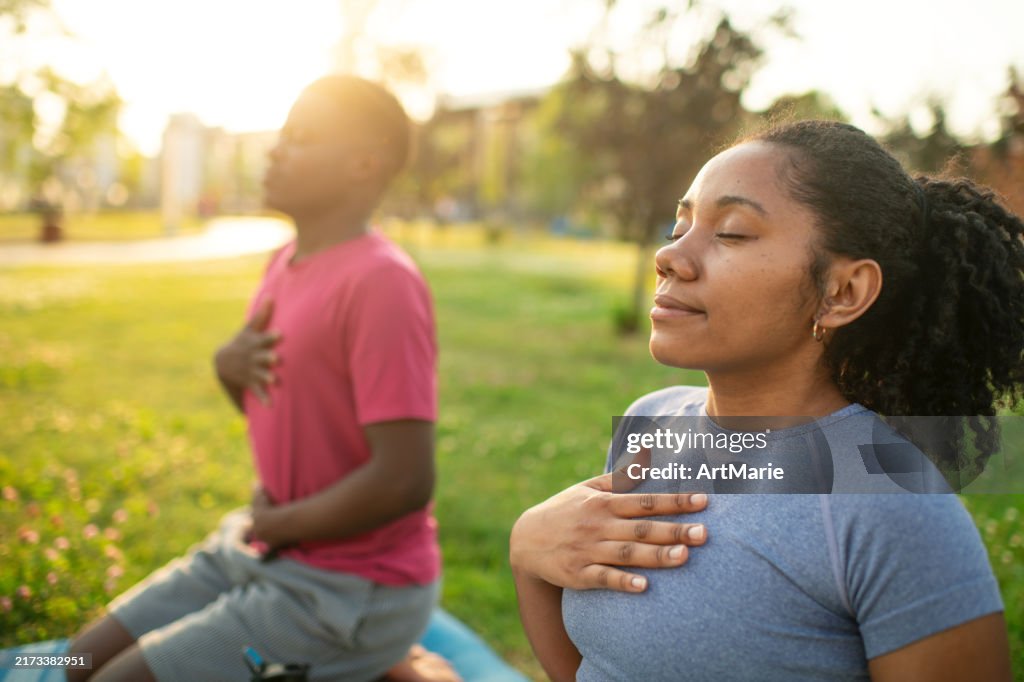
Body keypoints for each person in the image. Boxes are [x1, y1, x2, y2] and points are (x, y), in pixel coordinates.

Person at [510, 120, 1021, 681]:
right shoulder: (649, 422)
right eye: (680, 225)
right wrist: (528, 554)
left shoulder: (892, 506)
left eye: (730, 232)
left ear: (842, 292)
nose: (670, 256)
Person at [68, 75, 452, 682]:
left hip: (347, 588)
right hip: (261, 547)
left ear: (362, 163)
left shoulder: (382, 282)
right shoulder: (285, 262)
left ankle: (385, 660)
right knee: (72, 663)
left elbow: (404, 478)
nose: (274, 150)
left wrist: (280, 524)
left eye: (299, 138)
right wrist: (228, 370)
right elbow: (283, 410)